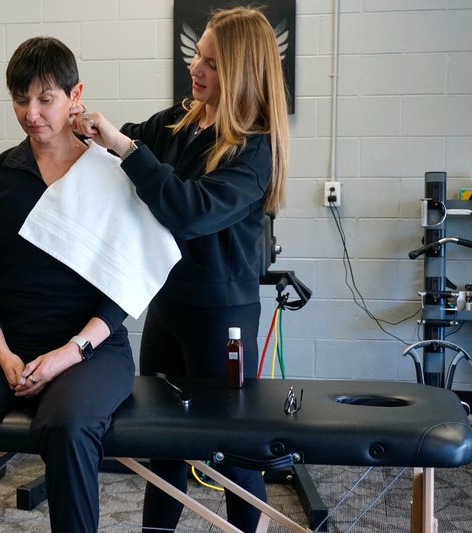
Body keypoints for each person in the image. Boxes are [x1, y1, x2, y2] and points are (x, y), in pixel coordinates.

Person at [73, 7, 289, 532]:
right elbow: (122, 142)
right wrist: (80, 126)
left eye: (212, 63)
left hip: (221, 315)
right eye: (197, 55)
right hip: (168, 303)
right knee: (160, 438)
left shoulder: (255, 150)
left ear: (242, 70)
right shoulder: (184, 119)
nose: (197, 67)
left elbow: (189, 211)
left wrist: (124, 147)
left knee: (235, 448)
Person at [0, 37, 135, 533]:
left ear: (75, 94)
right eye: (20, 99)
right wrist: (4, 354)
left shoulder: (111, 176)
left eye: (45, 99)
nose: (31, 113)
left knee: (66, 427)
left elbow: (125, 287)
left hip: (92, 349)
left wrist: (66, 354)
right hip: (8, 346)